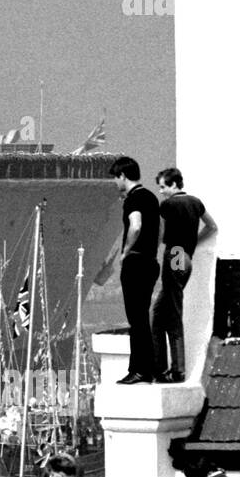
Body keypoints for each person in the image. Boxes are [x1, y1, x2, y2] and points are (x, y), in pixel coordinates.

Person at [151, 168, 218, 382]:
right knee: (160, 314)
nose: (161, 191)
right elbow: (212, 226)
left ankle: (176, 370)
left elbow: (161, 234)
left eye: (163, 186)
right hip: (185, 257)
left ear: (173, 185)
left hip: (174, 255)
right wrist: (193, 242)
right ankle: (163, 369)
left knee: (172, 313)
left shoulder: (168, 205)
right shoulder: (196, 202)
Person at [110, 156, 161, 383]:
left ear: (123, 175)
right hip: (150, 262)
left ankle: (138, 369)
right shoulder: (151, 196)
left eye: (116, 177)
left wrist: (126, 251)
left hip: (136, 263)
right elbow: (161, 231)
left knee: (136, 318)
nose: (115, 182)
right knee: (142, 317)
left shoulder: (133, 199)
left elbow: (136, 225)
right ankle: (148, 368)